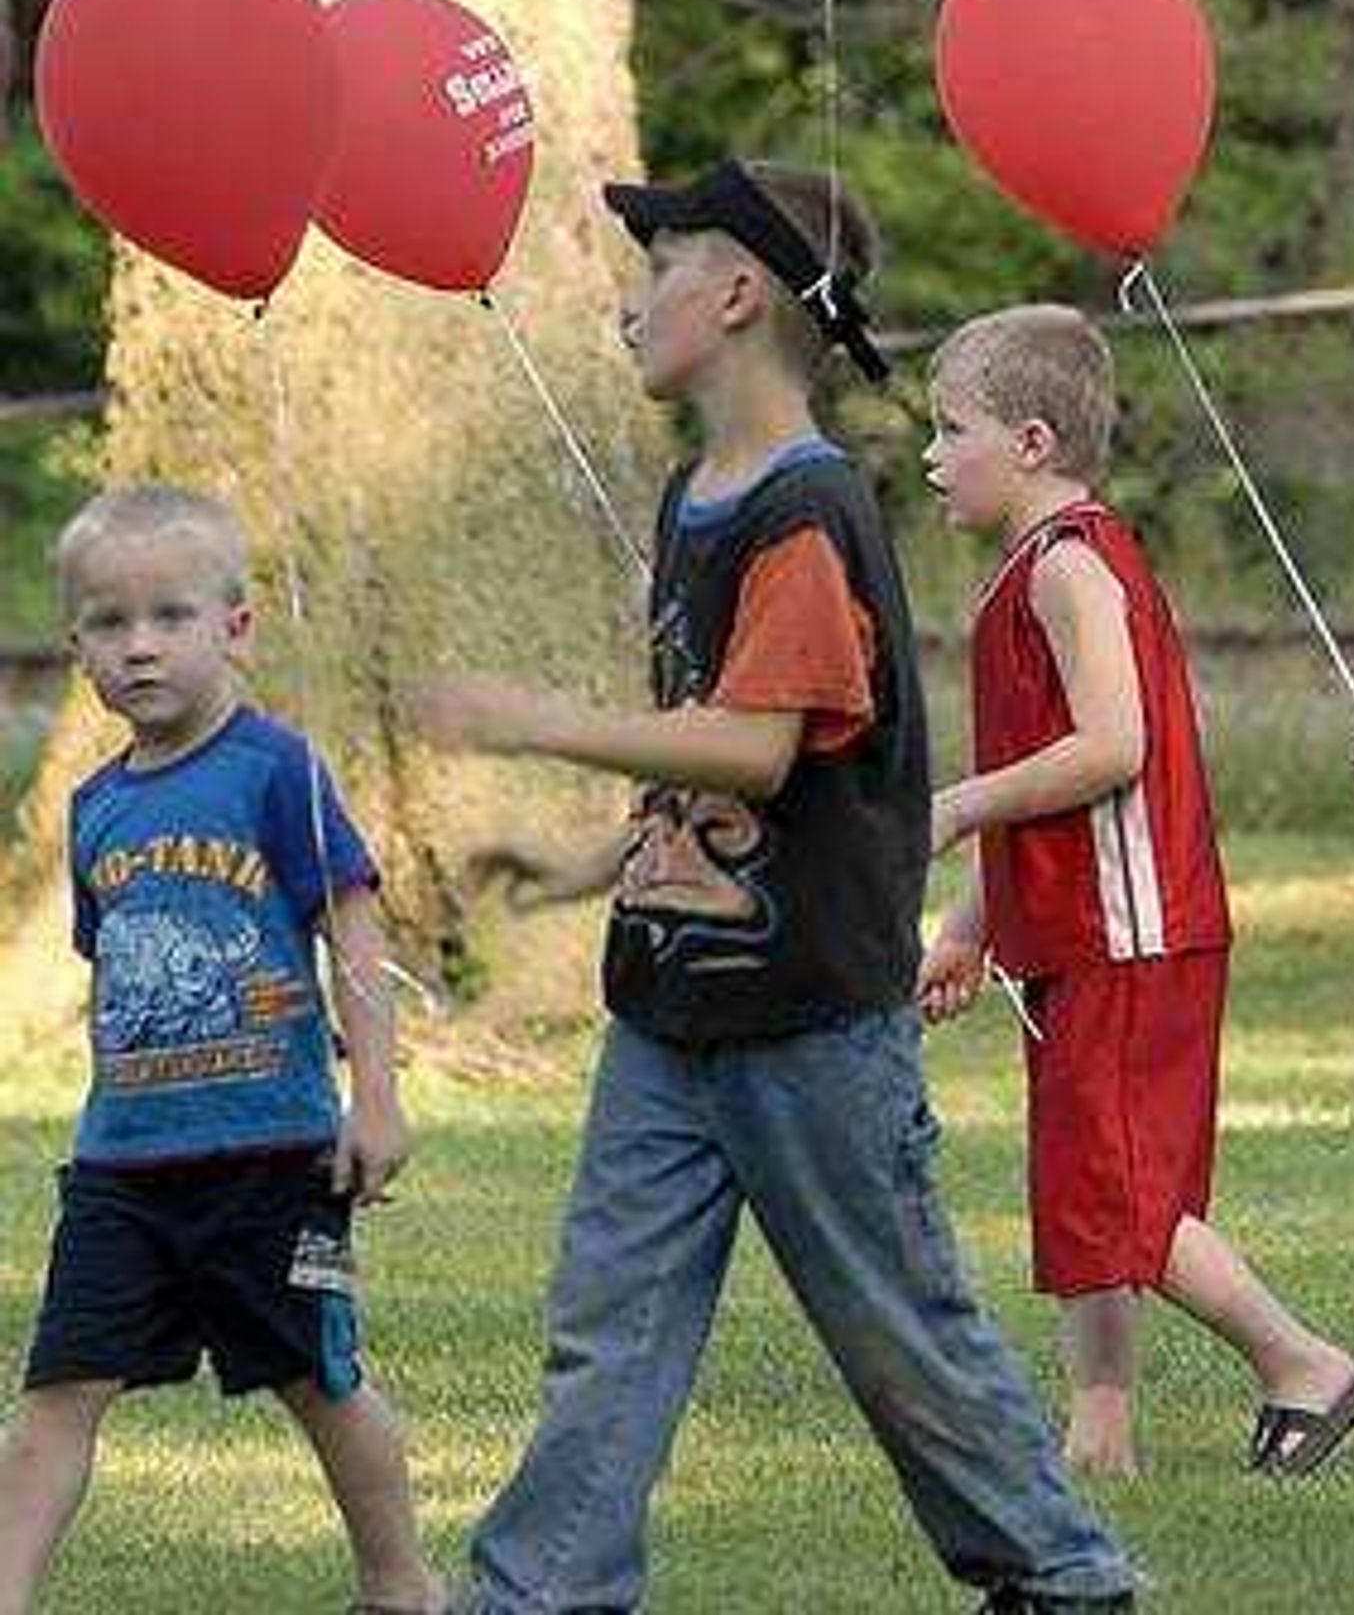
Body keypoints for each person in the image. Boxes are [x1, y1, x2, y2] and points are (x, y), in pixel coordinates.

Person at [420, 159, 1135, 1614]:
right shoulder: (698, 495)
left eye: (658, 266)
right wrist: (588, 863)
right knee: (608, 1331)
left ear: (737, 293)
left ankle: (1062, 1577)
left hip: (813, 1023)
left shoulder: (804, 508)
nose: (631, 305)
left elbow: (756, 745)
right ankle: (539, 1593)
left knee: (900, 1331)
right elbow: (717, 763)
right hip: (672, 1016)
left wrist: (530, 718)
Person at [914, 302, 1354, 1480]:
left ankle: (1302, 1363)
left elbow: (1113, 745)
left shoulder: (1072, 568)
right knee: (1088, 1182)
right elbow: (1053, 769)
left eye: (949, 429)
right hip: (1075, 936)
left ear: (1031, 442)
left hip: (1131, 929)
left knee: (1118, 1192)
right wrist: (972, 925)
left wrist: (959, 804)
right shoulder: (1036, 568)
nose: (930, 456)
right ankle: (1102, 1426)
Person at [0, 486, 437, 1615]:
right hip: (122, 1168)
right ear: (78, 644)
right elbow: (124, 966)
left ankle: (403, 1590)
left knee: (322, 1383)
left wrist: (374, 1097)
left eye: (170, 616)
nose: (138, 645)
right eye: (107, 622)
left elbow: (352, 926)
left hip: (270, 1156)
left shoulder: (276, 769)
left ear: (234, 627)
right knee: (56, 1394)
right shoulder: (96, 805)